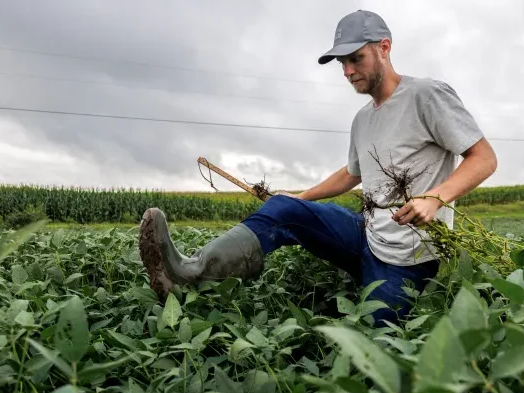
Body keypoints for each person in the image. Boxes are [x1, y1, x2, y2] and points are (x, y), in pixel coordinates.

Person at [139, 10, 497, 326]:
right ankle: (189, 273)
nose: (348, 71)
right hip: (366, 236)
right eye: (342, 63)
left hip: (409, 259)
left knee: (379, 333)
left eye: (355, 58)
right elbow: (352, 173)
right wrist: (302, 197)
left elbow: (483, 158)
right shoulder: (363, 119)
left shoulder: (427, 96)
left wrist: (435, 198)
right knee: (283, 209)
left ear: (384, 48)